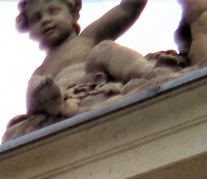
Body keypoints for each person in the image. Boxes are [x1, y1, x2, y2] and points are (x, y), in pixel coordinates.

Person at [14, 0, 155, 124]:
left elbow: (127, 9)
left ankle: (148, 73)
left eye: (53, 11)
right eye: (36, 18)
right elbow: (32, 108)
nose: (45, 20)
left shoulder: (88, 38)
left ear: (73, 14)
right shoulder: (41, 70)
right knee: (36, 84)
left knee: (104, 48)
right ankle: (55, 103)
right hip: (62, 96)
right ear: (30, 30)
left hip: (95, 79)